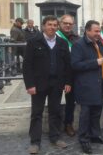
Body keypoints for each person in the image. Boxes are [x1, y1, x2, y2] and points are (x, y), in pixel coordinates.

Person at [23, 15, 72, 154]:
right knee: (37, 113)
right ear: (44, 26)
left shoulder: (62, 43)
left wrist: (68, 82)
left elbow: (67, 65)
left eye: (55, 25)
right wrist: (29, 85)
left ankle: (55, 137)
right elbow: (27, 65)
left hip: (57, 83)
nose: (52, 27)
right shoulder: (33, 42)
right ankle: (35, 141)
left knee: (55, 111)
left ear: (58, 27)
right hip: (38, 84)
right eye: (49, 24)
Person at [71, 20, 103, 154]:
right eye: (96, 31)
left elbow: (102, 59)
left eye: (99, 31)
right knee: (85, 115)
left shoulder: (98, 43)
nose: (98, 33)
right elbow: (75, 65)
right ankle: (84, 140)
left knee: (96, 113)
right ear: (87, 31)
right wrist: (95, 62)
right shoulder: (78, 45)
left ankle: (95, 135)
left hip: (99, 84)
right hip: (86, 87)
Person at [56, 14, 80, 137]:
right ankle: (54, 127)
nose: (68, 25)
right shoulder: (54, 37)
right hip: (57, 75)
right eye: (65, 23)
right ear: (60, 23)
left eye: (70, 24)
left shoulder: (76, 38)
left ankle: (68, 124)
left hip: (72, 75)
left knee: (71, 101)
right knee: (54, 102)